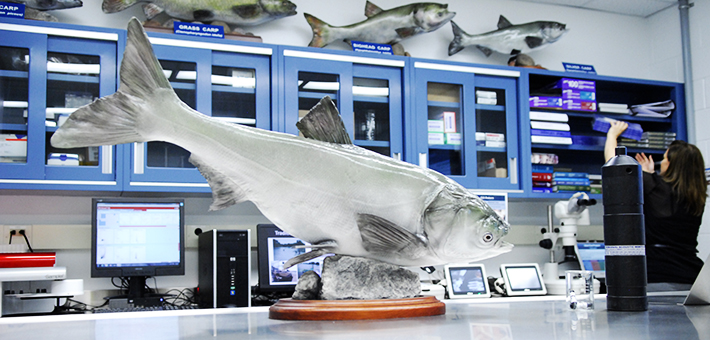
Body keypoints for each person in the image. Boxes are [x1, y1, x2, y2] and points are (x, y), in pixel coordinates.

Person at [605, 121, 706, 283]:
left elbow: (614, 165)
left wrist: (612, 135)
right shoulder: (697, 196)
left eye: (665, 158)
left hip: (656, 271)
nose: (663, 162)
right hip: (691, 273)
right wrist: (649, 177)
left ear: (672, 165)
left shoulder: (653, 187)